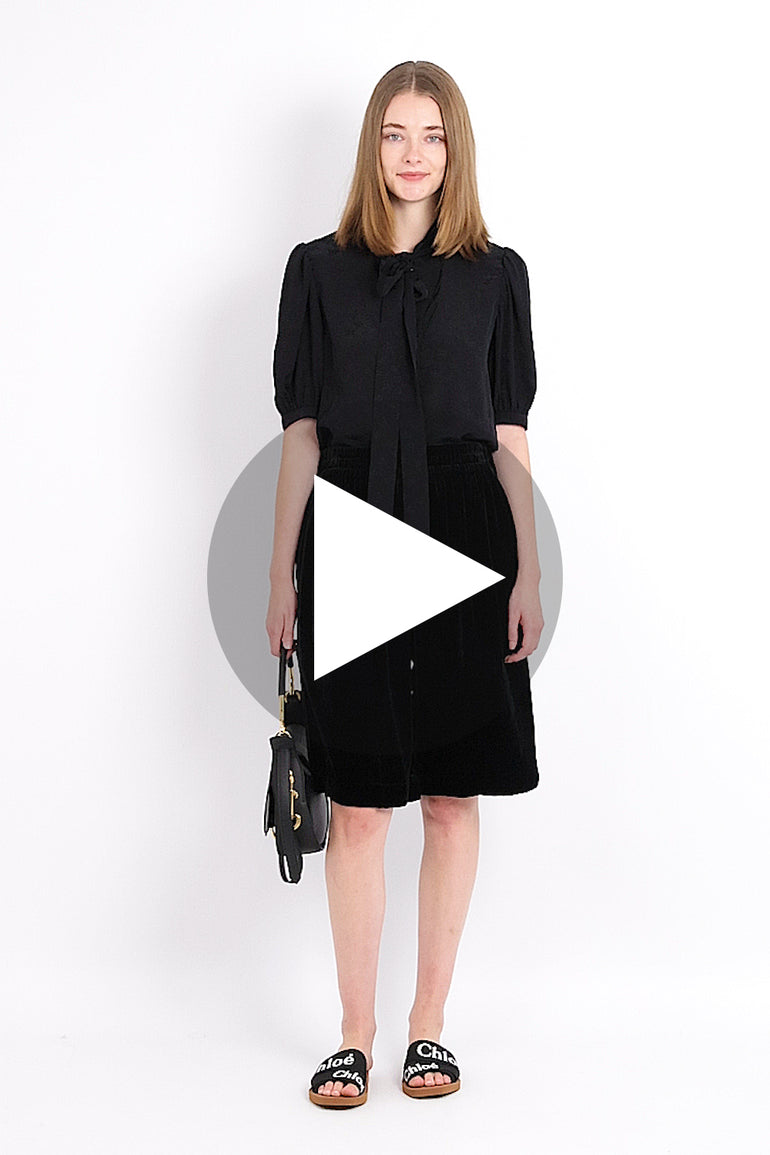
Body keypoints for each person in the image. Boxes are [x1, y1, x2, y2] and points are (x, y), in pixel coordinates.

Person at [266, 60, 544, 1108]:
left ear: (453, 146)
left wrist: (527, 565)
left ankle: (429, 1029)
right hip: (350, 530)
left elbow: (509, 432)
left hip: (470, 533)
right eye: (394, 133)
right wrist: (280, 569)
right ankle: (354, 1037)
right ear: (371, 147)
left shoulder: (497, 274)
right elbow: (301, 431)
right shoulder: (317, 270)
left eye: (431, 134)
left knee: (451, 794)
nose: (412, 152)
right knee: (360, 805)